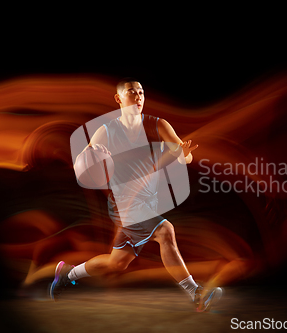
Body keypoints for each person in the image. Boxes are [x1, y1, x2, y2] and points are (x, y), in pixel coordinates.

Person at [50, 78, 223, 312]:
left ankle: (67, 274)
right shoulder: (107, 131)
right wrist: (90, 156)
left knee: (116, 264)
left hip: (146, 201)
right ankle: (196, 293)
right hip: (125, 203)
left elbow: (186, 157)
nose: (138, 97)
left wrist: (183, 154)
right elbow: (85, 163)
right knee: (166, 231)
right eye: (132, 92)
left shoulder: (159, 125)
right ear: (119, 98)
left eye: (141, 92)